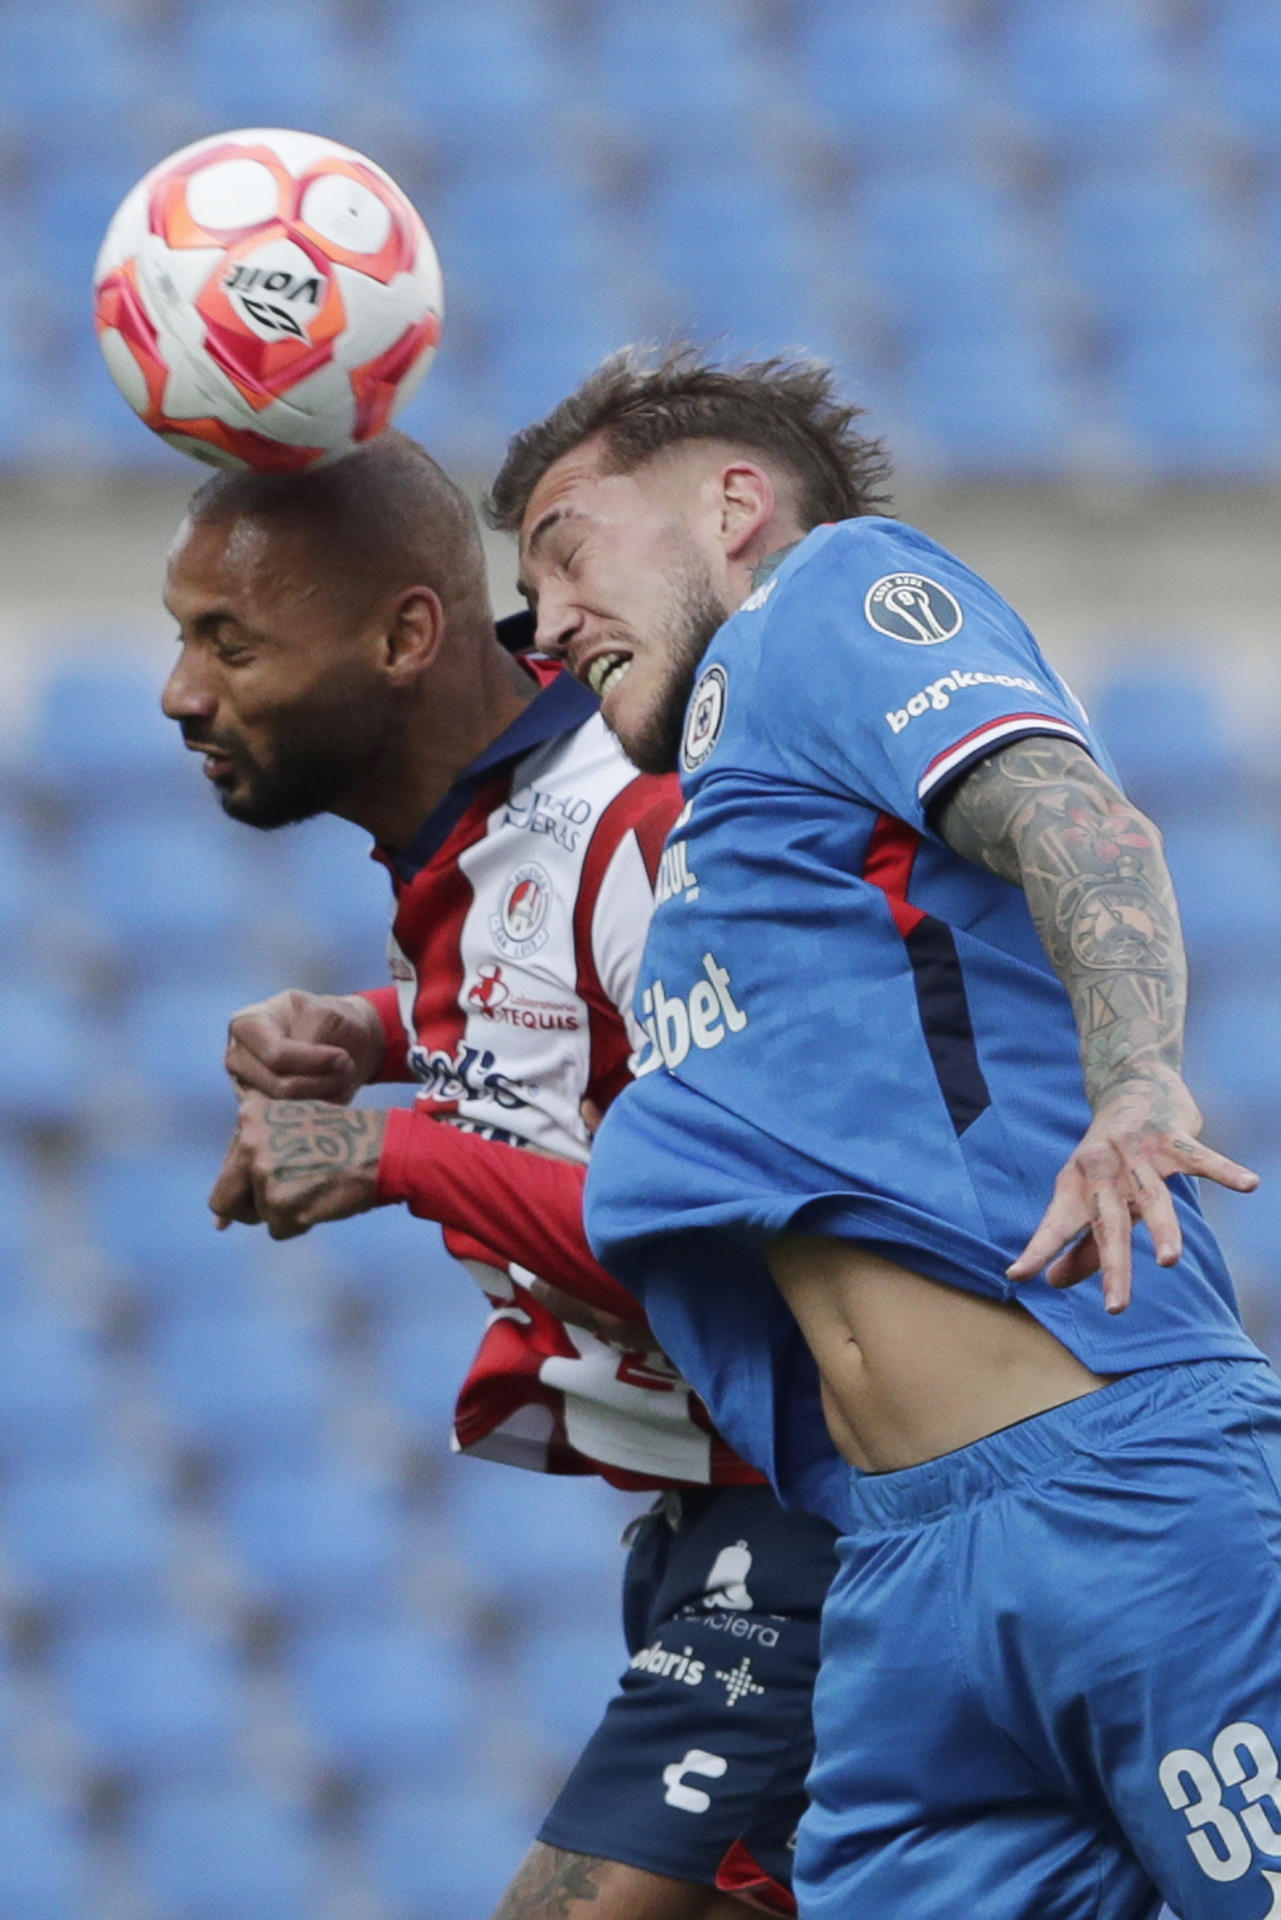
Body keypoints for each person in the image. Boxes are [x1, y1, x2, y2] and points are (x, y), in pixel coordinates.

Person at [488, 346, 1280, 1920]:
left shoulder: (822, 602)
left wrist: (1136, 1075)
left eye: (567, 549)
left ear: (733, 506)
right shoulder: (729, 866)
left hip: (1115, 1500)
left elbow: (1070, 810)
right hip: (900, 1582)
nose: (547, 624)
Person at [159, 429, 838, 1920]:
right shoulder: (496, 827)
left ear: (406, 636)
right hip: (707, 1519)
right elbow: (571, 1014)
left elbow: (739, 1235)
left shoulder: (628, 821)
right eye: (178, 637)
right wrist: (375, 1027)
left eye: (228, 642)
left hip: (812, 1511)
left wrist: (395, 1149)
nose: (181, 693)